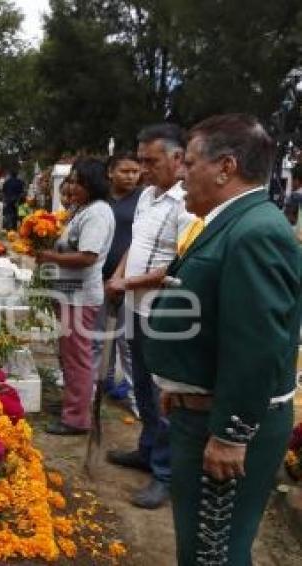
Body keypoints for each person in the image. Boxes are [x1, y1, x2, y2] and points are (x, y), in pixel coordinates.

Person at [145, 114, 301, 565]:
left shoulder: (256, 231)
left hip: (228, 425)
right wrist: (181, 386)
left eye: (188, 163)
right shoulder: (234, 220)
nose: (180, 174)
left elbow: (258, 344)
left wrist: (231, 434)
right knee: (200, 549)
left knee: (213, 554)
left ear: (225, 167)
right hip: (204, 410)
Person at [105, 123, 195, 509]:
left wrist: (129, 282)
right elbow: (136, 244)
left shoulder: (188, 204)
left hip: (162, 312)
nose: (143, 168)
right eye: (140, 160)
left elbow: (178, 265)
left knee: (161, 394)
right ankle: (146, 449)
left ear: (178, 158)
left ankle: (165, 473)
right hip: (133, 307)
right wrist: (119, 274)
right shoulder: (146, 196)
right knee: (141, 385)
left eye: (150, 161)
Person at [37, 158, 115, 435]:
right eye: (70, 180)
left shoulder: (98, 213)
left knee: (77, 358)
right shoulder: (82, 209)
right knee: (69, 355)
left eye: (76, 181)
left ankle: (77, 419)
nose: (71, 186)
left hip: (79, 297)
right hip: (68, 294)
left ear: (91, 184)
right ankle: (75, 404)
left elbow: (87, 257)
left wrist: (50, 256)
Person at [93, 153, 142, 408]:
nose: (132, 176)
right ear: (110, 172)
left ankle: (136, 399)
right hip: (98, 275)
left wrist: (121, 276)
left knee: (126, 340)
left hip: (128, 279)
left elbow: (140, 239)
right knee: (99, 337)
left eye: (135, 171)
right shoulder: (101, 198)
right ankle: (100, 385)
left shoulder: (142, 199)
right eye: (125, 171)